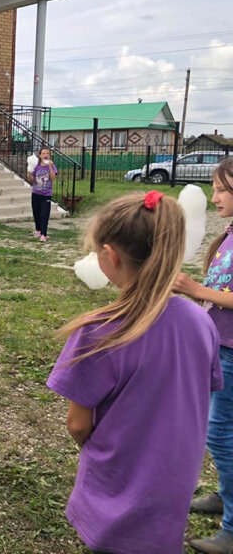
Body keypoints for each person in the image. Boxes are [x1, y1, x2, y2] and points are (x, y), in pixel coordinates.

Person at [47, 190, 222, 554]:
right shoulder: (201, 322)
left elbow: (78, 425)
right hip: (173, 485)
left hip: (115, 487)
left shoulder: (98, 331)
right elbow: (200, 392)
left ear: (110, 255)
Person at [174, 158, 233, 554]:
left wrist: (196, 290)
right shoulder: (229, 234)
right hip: (221, 346)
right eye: (213, 189)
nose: (214, 198)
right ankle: (225, 495)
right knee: (223, 430)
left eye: (222, 189)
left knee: (219, 433)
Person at [28, 147, 56, 242]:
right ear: (40, 156)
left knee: (44, 215)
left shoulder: (52, 166)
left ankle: (44, 234)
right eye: (43, 153)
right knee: (36, 214)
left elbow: (53, 178)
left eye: (47, 153)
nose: (45, 155)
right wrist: (29, 173)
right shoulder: (36, 166)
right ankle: (38, 231)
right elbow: (31, 179)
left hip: (46, 194)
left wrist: (50, 167)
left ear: (49, 155)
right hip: (36, 193)